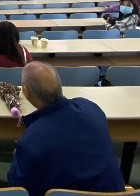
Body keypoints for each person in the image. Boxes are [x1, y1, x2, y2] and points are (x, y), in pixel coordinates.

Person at [7, 61, 124, 196]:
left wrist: (19, 156)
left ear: (26, 92)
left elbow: (18, 187)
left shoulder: (31, 141)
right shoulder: (91, 107)